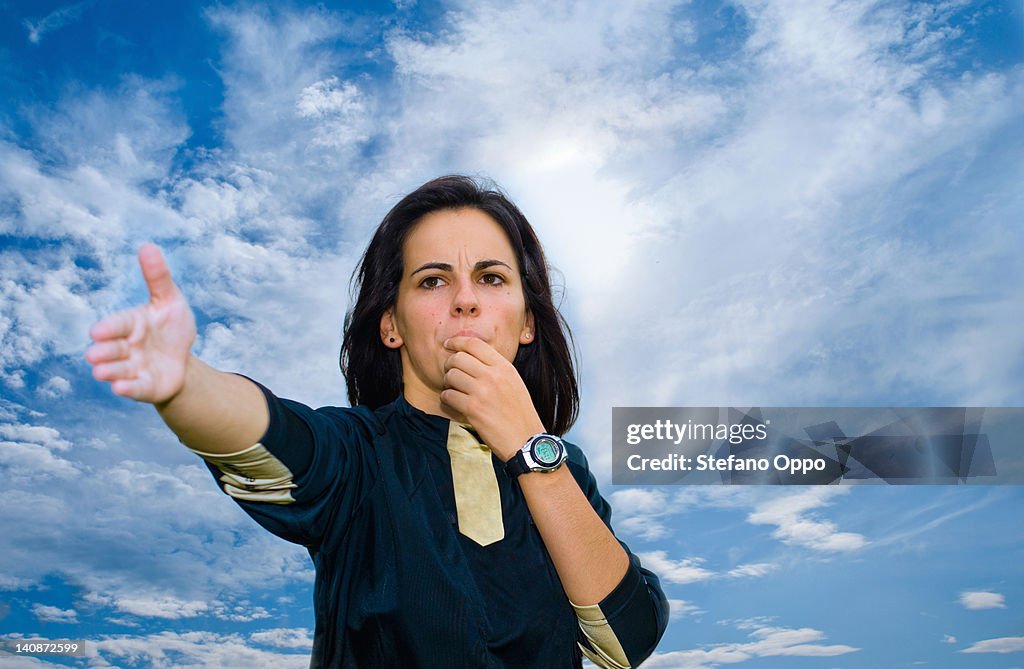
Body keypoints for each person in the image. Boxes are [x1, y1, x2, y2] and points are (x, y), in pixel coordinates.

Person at [86, 175, 669, 668]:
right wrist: (187, 384)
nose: (465, 301)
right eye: (433, 281)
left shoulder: (566, 473)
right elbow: (275, 440)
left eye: (491, 278)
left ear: (526, 324)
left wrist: (529, 448)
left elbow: (627, 640)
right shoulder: (357, 453)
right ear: (391, 326)